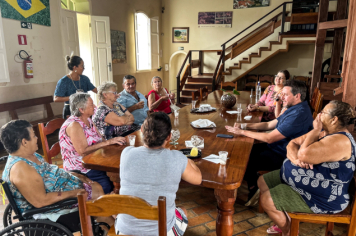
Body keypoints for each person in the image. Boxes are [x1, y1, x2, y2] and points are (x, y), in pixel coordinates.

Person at [258, 100, 356, 236]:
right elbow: (292, 143)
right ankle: (284, 219)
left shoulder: (341, 141)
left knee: (267, 200)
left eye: (323, 112)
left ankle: (289, 231)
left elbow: (304, 154)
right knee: (262, 181)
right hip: (302, 181)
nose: (319, 115)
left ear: (334, 120)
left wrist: (314, 131)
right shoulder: (325, 132)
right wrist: (297, 160)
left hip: (322, 197)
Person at [0, 119, 114, 230]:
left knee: (96, 189)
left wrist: (71, 174)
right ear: (24, 142)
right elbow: (41, 201)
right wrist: (74, 193)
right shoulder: (21, 169)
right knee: (97, 203)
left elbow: (49, 173)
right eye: (34, 135)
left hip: (61, 195)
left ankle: (107, 228)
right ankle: (113, 229)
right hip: (51, 210)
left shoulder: (29, 155)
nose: (36, 138)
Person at [226, 79, 314, 205]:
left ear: (297, 96)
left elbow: (270, 138)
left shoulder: (299, 114)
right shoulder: (294, 107)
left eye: (285, 94)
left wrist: (242, 132)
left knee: (244, 157)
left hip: (284, 155)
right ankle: (253, 183)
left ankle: (254, 188)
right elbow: (269, 124)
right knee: (244, 150)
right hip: (276, 147)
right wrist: (244, 125)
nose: (281, 97)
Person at [115, 112, 202, 235]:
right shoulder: (177, 158)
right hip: (160, 232)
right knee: (183, 211)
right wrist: (186, 159)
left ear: (141, 130)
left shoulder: (126, 153)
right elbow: (198, 179)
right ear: (169, 137)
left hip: (125, 231)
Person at [60, 93, 126, 194]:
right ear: (81, 110)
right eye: (91, 105)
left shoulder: (88, 119)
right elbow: (83, 151)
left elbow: (101, 139)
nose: (95, 106)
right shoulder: (74, 125)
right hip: (82, 167)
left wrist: (111, 142)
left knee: (122, 172)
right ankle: (107, 204)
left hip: (95, 160)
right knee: (108, 183)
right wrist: (108, 142)